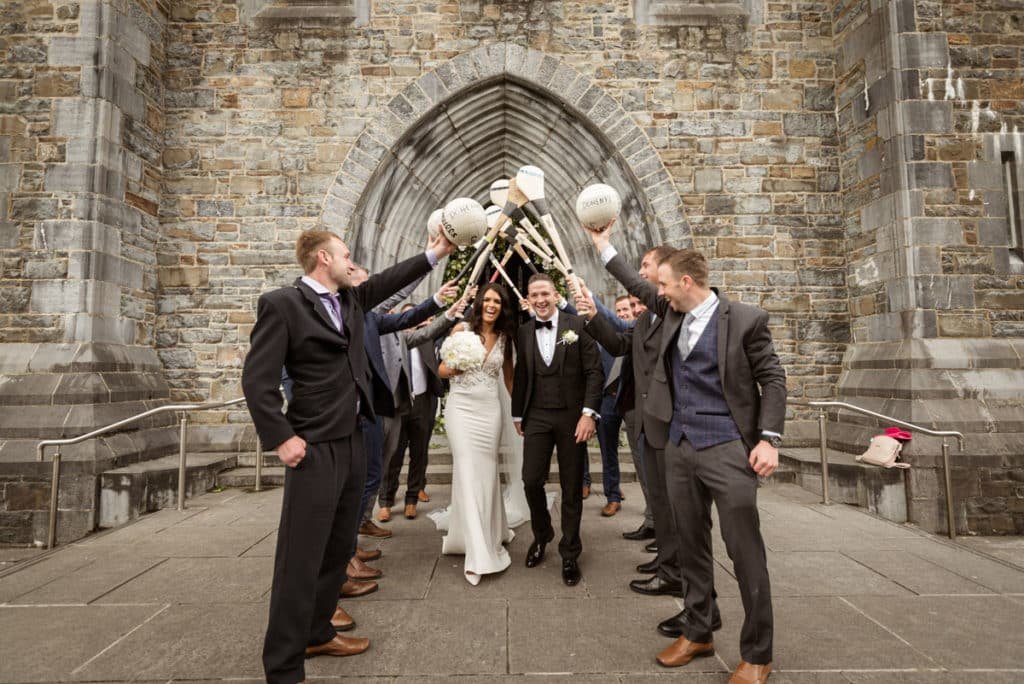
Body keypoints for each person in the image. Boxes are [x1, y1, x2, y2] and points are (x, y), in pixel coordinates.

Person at [241, 229, 454, 684]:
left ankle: (318, 632)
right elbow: (257, 380)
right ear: (323, 257)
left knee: (339, 546)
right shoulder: (282, 304)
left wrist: (436, 252)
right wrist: (281, 437)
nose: (351, 262)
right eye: (345, 254)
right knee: (301, 556)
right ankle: (283, 666)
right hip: (314, 446)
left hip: (354, 438)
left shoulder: (351, 301)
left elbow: (390, 280)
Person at [591, 241, 787, 684]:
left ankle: (758, 653)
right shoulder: (671, 312)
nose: (656, 292)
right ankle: (698, 630)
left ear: (685, 282)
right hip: (678, 446)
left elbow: (773, 378)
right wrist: (602, 244)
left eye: (663, 285)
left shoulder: (746, 320)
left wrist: (768, 439)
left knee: (744, 551)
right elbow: (637, 282)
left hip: (728, 448)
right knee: (689, 544)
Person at [580, 235, 687, 605]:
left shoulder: (674, 309)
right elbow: (618, 344)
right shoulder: (646, 320)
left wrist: (603, 246)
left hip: (670, 423)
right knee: (658, 497)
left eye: (645, 265)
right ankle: (667, 564)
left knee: (672, 501)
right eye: (638, 266)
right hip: (647, 421)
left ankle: (677, 572)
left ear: (666, 270)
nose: (640, 272)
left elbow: (639, 287)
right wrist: (592, 317)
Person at [512, 274, 603, 587]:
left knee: (571, 485)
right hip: (536, 416)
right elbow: (522, 374)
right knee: (530, 480)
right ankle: (542, 534)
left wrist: (588, 414)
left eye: (545, 294)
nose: (540, 300)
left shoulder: (577, 324)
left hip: (571, 417)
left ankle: (570, 552)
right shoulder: (524, 331)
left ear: (555, 295)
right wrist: (517, 414)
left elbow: (594, 371)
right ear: (528, 298)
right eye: (534, 295)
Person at [437, 283, 519, 585]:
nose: (491, 305)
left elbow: (509, 380)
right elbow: (442, 369)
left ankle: (493, 530)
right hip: (461, 409)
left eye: (497, 301)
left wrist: (519, 414)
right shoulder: (462, 330)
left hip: (490, 412)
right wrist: (456, 369)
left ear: (502, 307)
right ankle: (478, 554)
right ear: (479, 303)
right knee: (468, 470)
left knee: (485, 473)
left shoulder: (505, 339)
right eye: (487, 300)